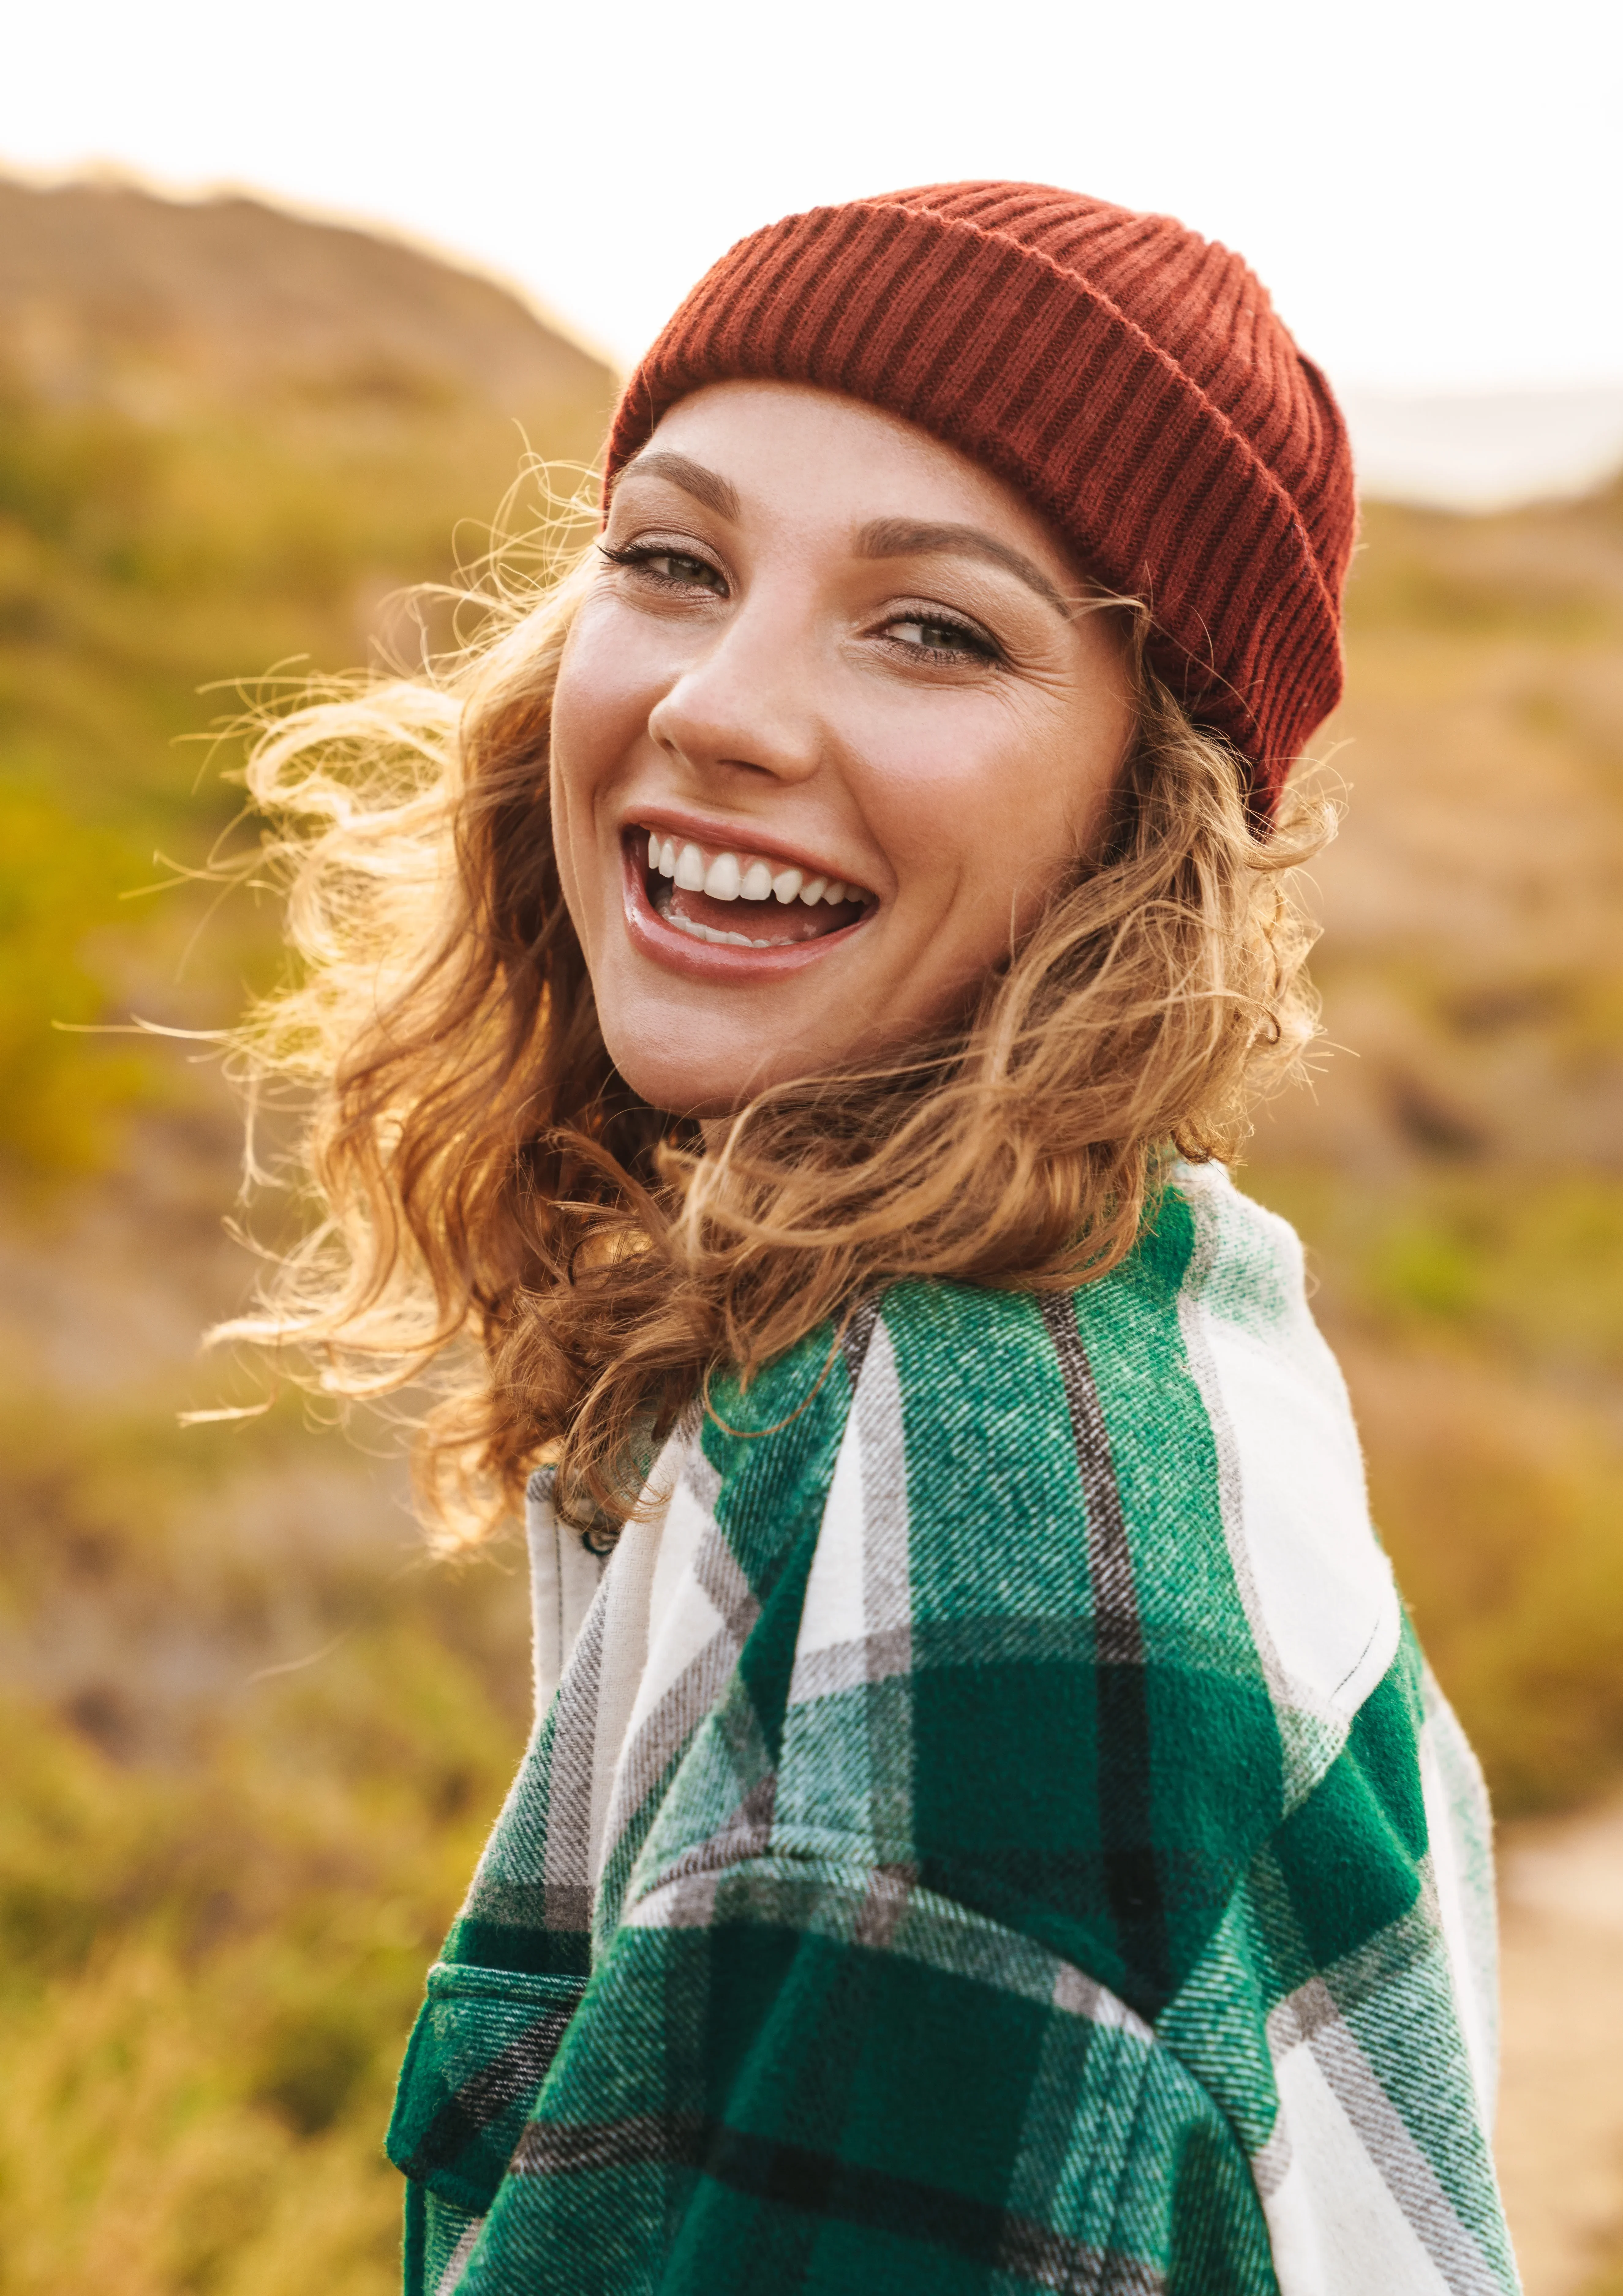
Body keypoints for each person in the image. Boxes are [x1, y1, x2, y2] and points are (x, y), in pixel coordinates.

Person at [232, 184, 1519, 2293]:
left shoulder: (951, 1588)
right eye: (673, 560)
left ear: (1150, 813)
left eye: (933, 627)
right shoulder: (1159, 1299)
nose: (719, 707)